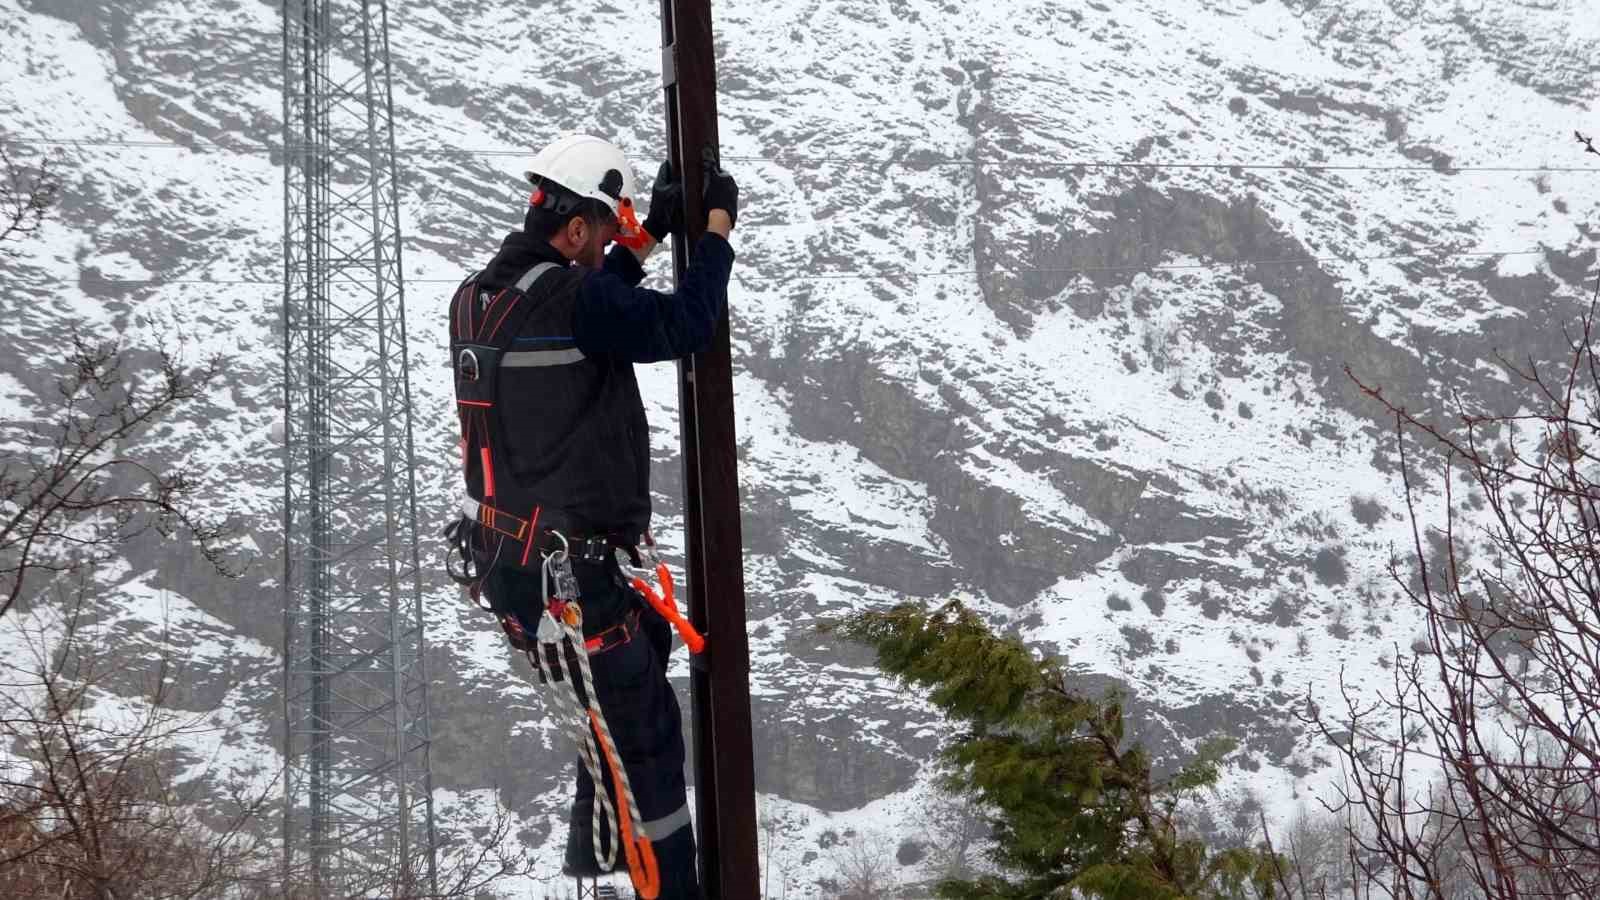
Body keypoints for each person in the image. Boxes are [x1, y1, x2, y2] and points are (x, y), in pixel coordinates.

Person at [445, 133, 738, 899]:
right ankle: (669, 888)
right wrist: (713, 235)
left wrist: (650, 233)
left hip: (518, 571)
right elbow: (685, 324)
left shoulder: (479, 297)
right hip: (575, 581)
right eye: (602, 233)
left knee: (622, 696)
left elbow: (590, 302)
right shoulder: (580, 299)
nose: (606, 245)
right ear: (575, 231)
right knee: (649, 746)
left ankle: (603, 855)